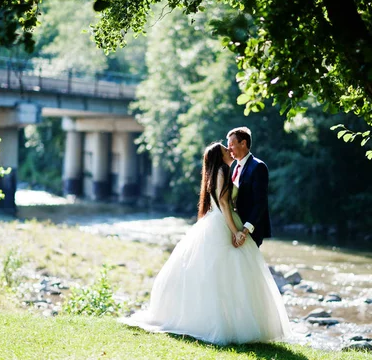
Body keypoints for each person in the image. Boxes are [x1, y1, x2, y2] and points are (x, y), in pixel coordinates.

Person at [119, 142, 290, 345]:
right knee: (225, 274)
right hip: (223, 222)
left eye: (231, 147)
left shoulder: (220, 170)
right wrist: (236, 231)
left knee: (221, 273)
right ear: (220, 156)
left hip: (217, 220)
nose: (230, 150)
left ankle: (228, 322)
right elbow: (225, 203)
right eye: (226, 150)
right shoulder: (223, 170)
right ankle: (227, 324)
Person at [227, 126, 271, 248]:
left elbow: (260, 203)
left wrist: (245, 230)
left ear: (243, 143)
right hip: (235, 227)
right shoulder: (235, 167)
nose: (228, 148)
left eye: (231, 144)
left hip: (250, 230)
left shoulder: (258, 166)